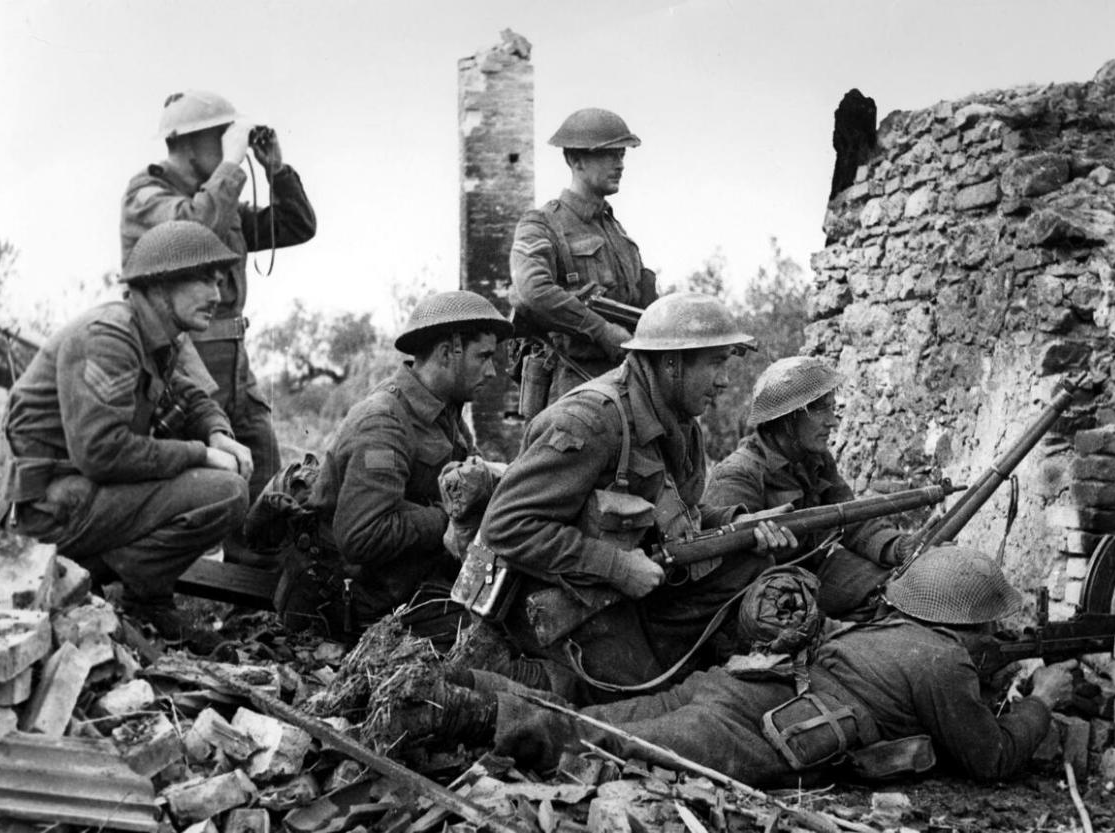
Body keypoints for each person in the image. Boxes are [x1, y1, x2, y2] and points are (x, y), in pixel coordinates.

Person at [389, 545, 1077, 788]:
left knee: (598, 721)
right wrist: (1041, 696)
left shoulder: (891, 622)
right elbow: (988, 758)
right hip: (767, 727)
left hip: (741, 680)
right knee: (604, 741)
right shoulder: (944, 662)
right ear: (972, 623)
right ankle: (457, 709)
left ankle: (454, 684)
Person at [460, 293, 797, 702]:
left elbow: (679, 510)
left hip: (623, 586)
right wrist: (617, 566)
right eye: (716, 362)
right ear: (672, 364)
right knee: (644, 703)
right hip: (554, 601)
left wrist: (736, 523)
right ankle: (522, 674)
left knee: (749, 561)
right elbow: (505, 527)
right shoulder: (591, 422)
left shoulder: (680, 422)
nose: (724, 380)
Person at [0, 221, 252, 650]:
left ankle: (126, 594)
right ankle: (111, 592)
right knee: (223, 491)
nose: (218, 293)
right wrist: (200, 454)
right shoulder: (109, 336)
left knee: (222, 484)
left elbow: (192, 397)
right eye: (204, 278)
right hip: (46, 510)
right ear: (157, 284)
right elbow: (102, 453)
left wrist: (218, 434)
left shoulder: (159, 338)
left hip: (82, 495)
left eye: (220, 279)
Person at [120, 89, 317, 560]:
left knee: (262, 469)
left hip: (234, 358)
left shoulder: (218, 201)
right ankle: (159, 593)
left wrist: (276, 171)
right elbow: (192, 236)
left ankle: (250, 602)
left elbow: (295, 226)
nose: (232, 144)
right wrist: (231, 167)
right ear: (189, 142)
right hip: (183, 357)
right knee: (194, 477)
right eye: (221, 136)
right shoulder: (147, 197)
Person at [275, 291, 512, 644]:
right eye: (485, 356)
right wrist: (450, 520)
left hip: (405, 582)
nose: (492, 371)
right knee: (492, 642)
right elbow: (362, 535)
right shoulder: (383, 423)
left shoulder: (444, 414)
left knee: (511, 606)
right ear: (449, 352)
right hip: (358, 605)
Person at [704, 356, 915, 618]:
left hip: (813, 575)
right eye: (820, 410)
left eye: (831, 408)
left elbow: (852, 518)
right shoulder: (737, 476)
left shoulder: (814, 459)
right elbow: (724, 577)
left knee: (900, 586)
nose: (832, 422)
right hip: (764, 600)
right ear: (787, 419)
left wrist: (901, 547)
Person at [509, 108, 658, 414]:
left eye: (622, 154)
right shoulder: (541, 224)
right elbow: (531, 291)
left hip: (622, 386)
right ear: (575, 160)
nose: (620, 164)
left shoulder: (617, 232)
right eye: (609, 155)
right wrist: (602, 331)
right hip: (569, 389)